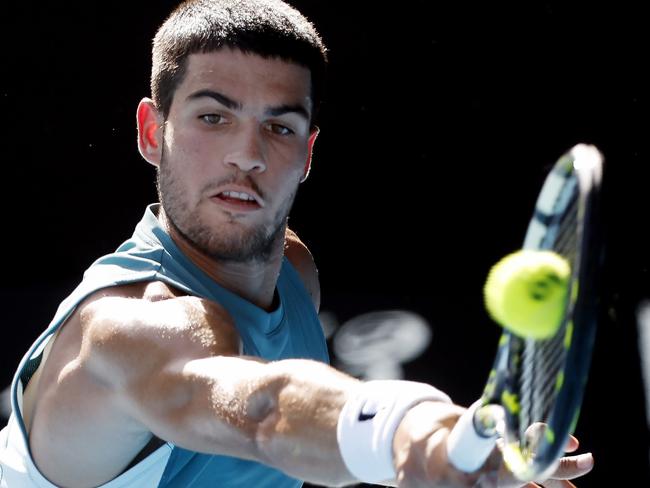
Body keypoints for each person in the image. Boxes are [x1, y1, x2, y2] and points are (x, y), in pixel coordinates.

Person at [0, 1, 594, 487]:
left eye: (279, 127)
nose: (249, 154)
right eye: (214, 117)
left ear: (307, 153)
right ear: (154, 133)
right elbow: (267, 411)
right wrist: (410, 431)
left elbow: (308, 432)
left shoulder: (292, 269)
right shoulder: (127, 327)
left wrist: (454, 446)